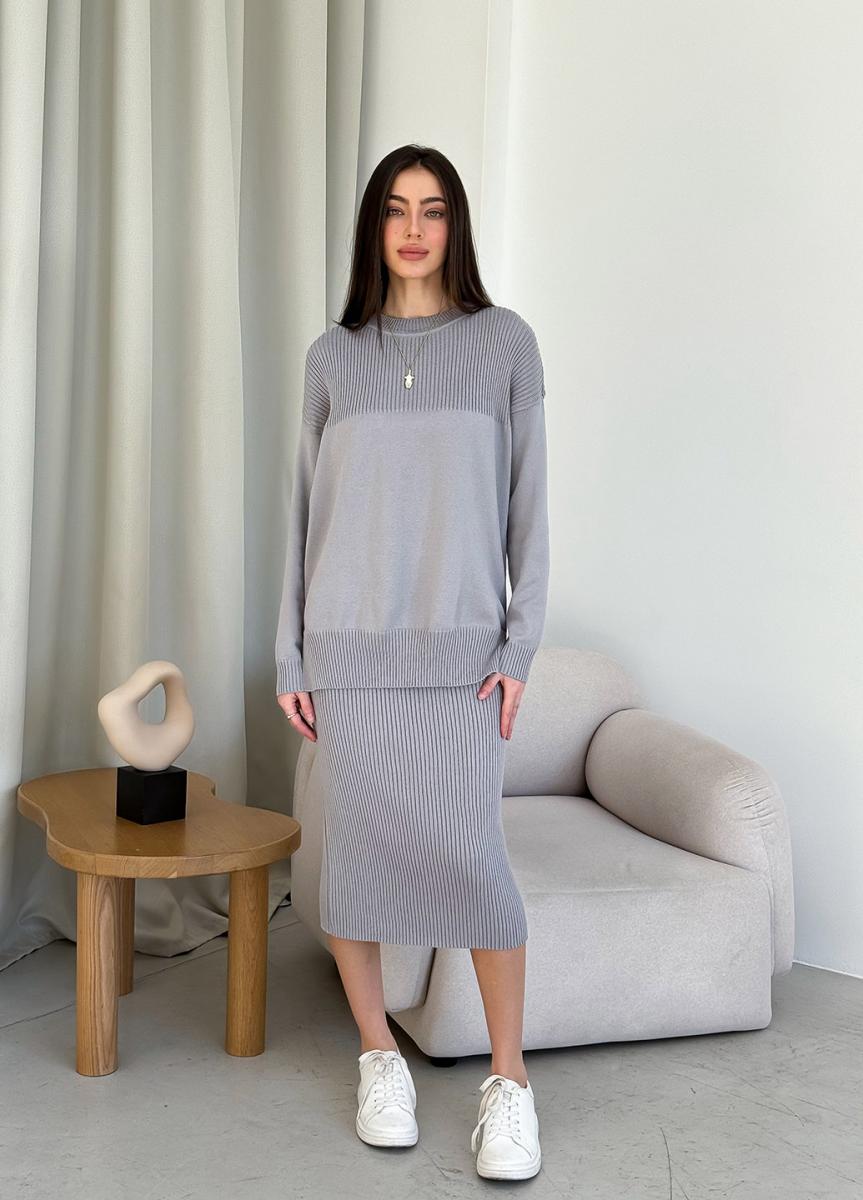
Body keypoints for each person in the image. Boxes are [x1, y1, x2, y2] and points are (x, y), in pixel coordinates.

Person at [274, 143, 549, 1181]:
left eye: (433, 210)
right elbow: (302, 515)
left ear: (455, 225)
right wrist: (288, 651)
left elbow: (530, 510)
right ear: (373, 228)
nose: (414, 228)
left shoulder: (504, 344)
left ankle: (509, 1082)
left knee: (478, 872)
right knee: (354, 866)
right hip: (347, 658)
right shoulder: (331, 358)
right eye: (395, 209)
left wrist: (520, 643)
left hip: (463, 661)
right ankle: (377, 1056)